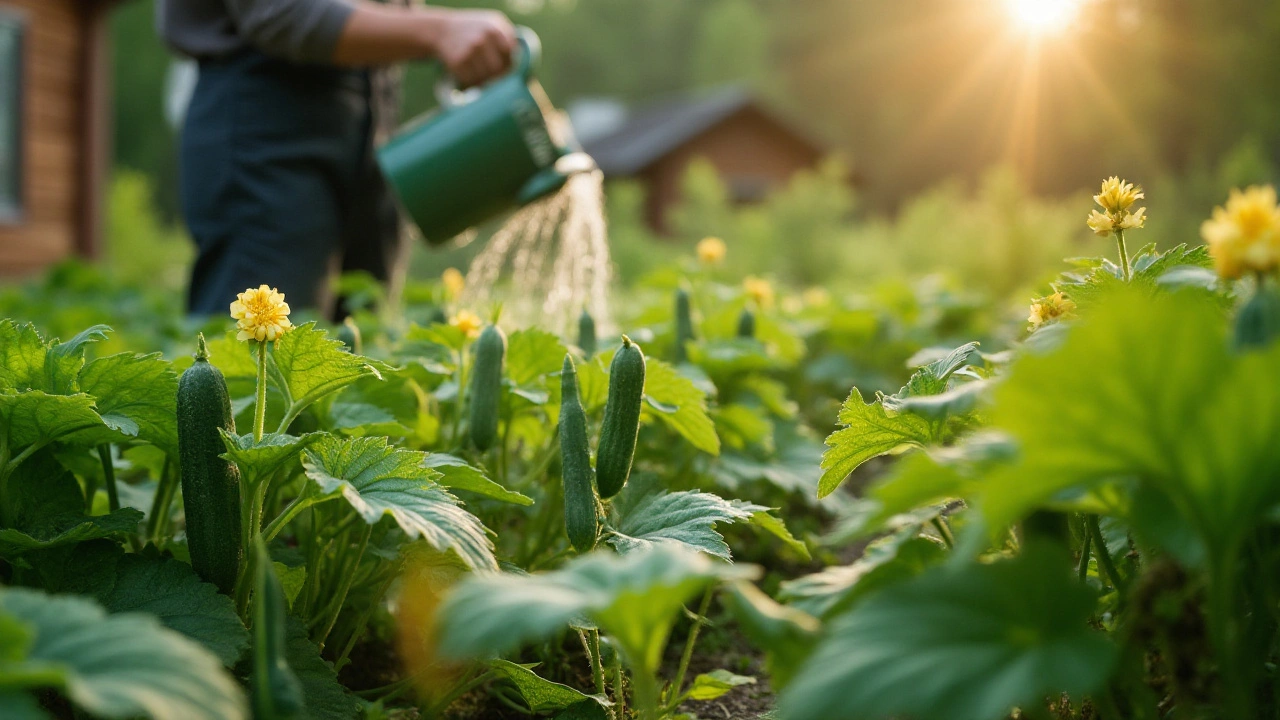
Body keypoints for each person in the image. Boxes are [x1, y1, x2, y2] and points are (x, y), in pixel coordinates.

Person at [156, 0, 517, 316]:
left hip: (374, 104)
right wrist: (440, 32)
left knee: (359, 355)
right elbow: (281, 13)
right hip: (266, 117)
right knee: (256, 364)